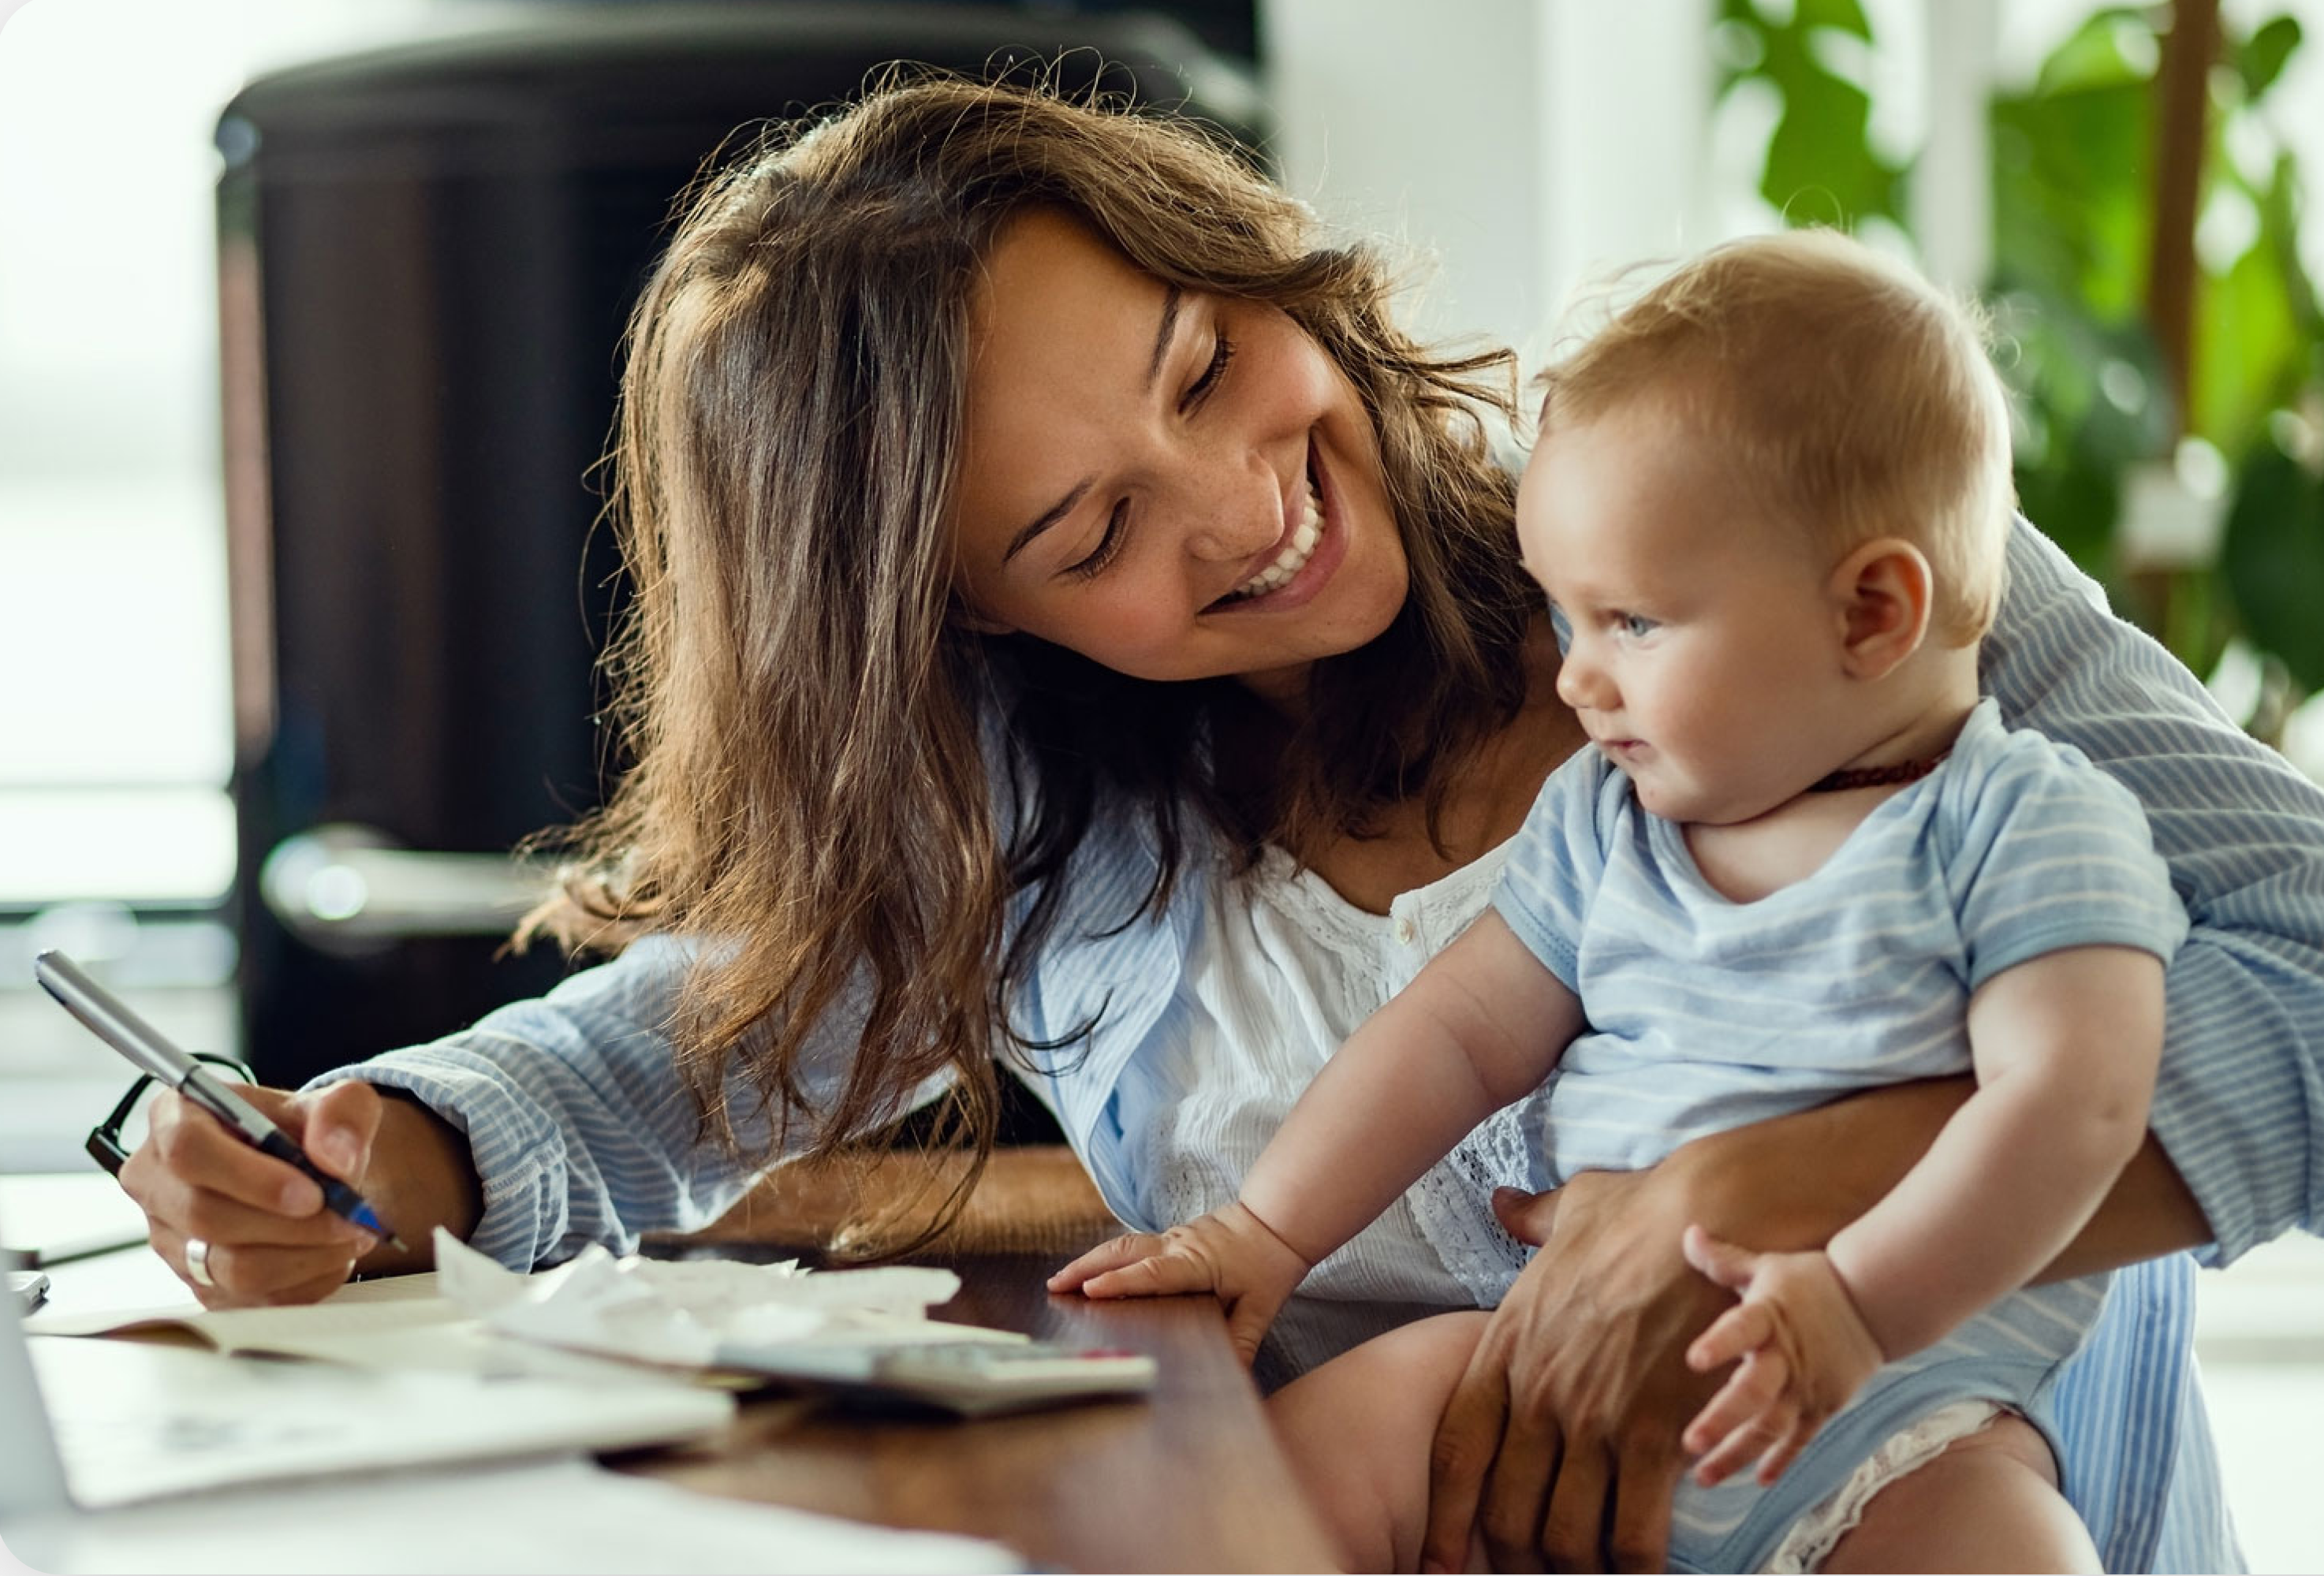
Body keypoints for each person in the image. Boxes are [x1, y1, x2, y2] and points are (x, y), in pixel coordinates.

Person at [110, 77, 2322, 1573]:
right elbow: (669, 1047)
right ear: (964, 624)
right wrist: (371, 1142)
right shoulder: (1043, 795)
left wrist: (1770, 1182)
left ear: (1248, 262)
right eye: (1090, 532)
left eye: (1200, 366)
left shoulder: (1795, 544)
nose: (1245, 510)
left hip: (1924, 1482)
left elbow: (2306, 963)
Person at [1050, 230, 2185, 1574]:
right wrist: (1263, 1229)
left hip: (1900, 1420)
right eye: (1563, 616)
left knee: (2015, 1549)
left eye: (1630, 624)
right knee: (1312, 1455)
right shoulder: (1610, 819)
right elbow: (1458, 1030)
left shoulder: (2025, 828)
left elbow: (2081, 1110)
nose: (1575, 679)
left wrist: (1854, 1306)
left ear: (1871, 614)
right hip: (1546, 1370)